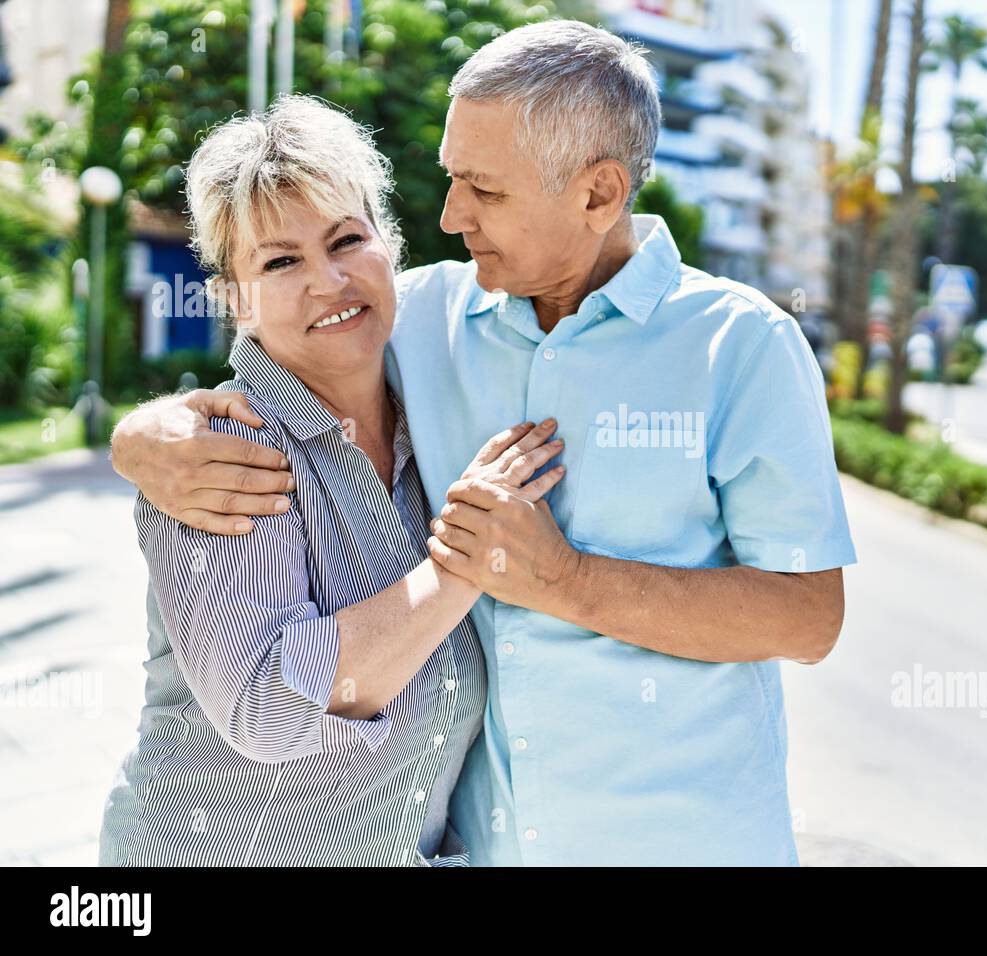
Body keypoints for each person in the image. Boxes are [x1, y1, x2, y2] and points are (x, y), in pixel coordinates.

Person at [112, 20, 856, 866]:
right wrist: (143, 435)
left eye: (484, 189)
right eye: (450, 178)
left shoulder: (741, 345)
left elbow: (809, 617)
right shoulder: (413, 317)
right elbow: (287, 336)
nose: (450, 213)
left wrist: (564, 580)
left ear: (598, 195)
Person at [99, 98, 563, 866]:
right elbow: (268, 706)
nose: (328, 280)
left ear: (391, 244)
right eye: (279, 262)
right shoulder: (223, 456)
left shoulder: (439, 407)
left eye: (348, 239)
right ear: (231, 296)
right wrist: (465, 560)